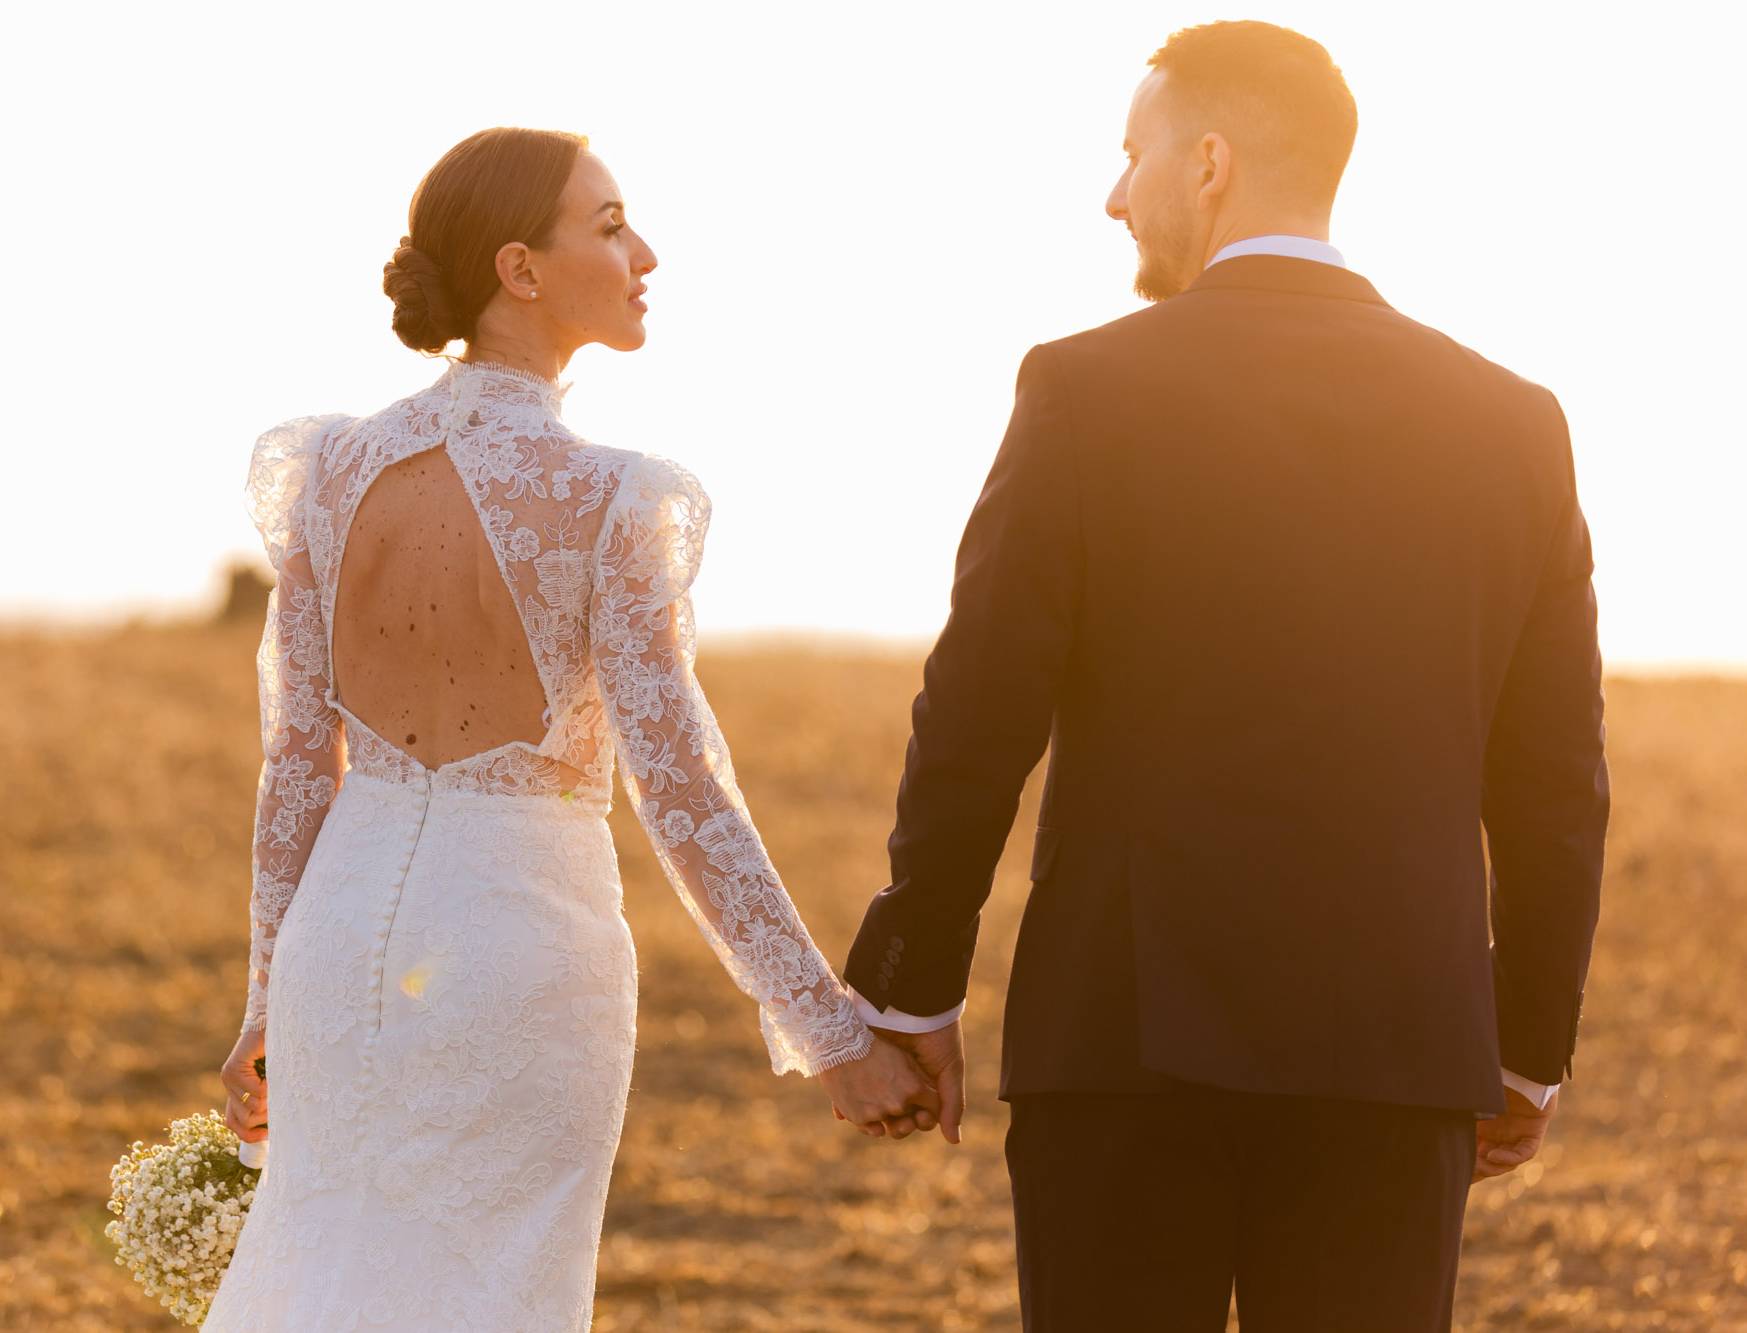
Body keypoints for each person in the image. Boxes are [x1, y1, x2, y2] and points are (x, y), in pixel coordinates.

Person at [840, 21, 1608, 1331]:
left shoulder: (1084, 387)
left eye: (1127, 154)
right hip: (1400, 1053)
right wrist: (1526, 1042)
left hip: (1126, 1049)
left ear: (1208, 165)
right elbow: (1553, 781)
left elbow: (977, 710)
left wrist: (911, 983)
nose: (1111, 192)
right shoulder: (1511, 419)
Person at [202, 127, 937, 1332]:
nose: (642, 252)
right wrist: (826, 1028)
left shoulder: (330, 469)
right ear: (518, 270)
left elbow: (297, 769)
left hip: (338, 952)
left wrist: (267, 1002)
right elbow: (681, 787)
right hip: (517, 956)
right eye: (607, 225)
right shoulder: (614, 496)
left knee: (324, 1281)